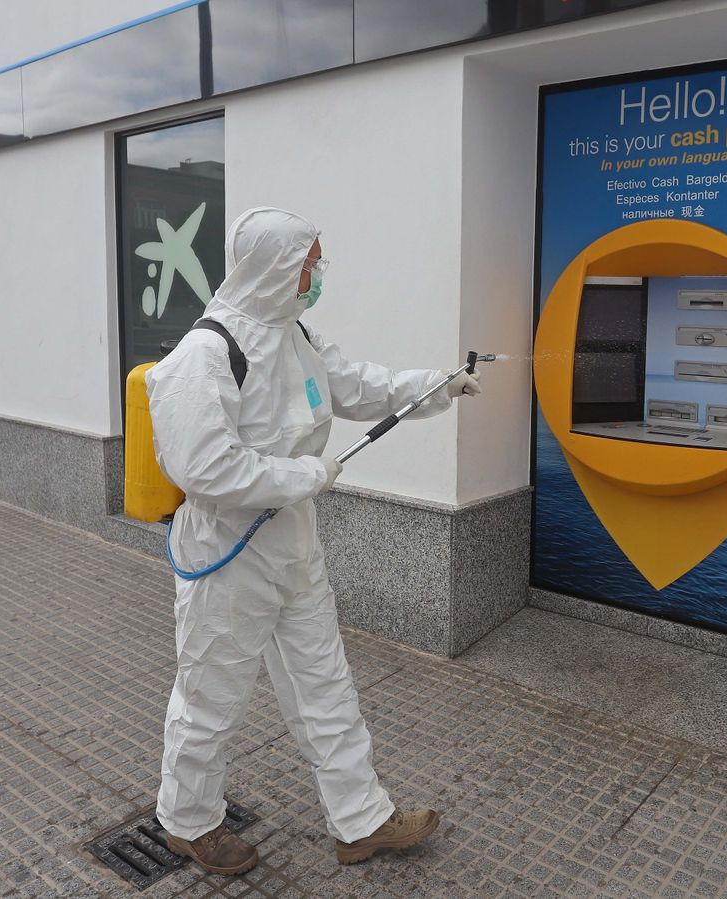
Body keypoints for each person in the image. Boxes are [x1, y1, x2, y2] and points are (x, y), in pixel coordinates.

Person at [144, 207, 480, 875]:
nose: (317, 274)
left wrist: (432, 386)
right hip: (228, 555)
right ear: (274, 266)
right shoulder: (205, 354)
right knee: (211, 695)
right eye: (309, 262)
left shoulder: (295, 334)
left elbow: (354, 385)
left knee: (325, 683)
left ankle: (361, 819)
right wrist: (304, 473)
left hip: (293, 546)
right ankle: (188, 820)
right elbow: (205, 467)